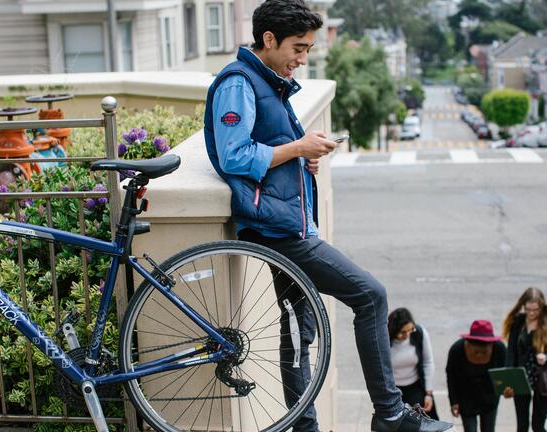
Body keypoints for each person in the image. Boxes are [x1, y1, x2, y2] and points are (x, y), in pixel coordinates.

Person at [203, 1, 452, 431]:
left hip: (283, 220)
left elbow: (267, 147)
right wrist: (299, 150)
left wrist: (301, 160)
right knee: (370, 296)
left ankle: (306, 426)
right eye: (298, 48)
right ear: (268, 40)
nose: (303, 58)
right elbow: (234, 155)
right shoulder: (238, 83)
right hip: (275, 228)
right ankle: (390, 413)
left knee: (301, 327)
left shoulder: (270, 81)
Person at [502, 287, 547, 432]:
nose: (531, 313)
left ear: (542, 307)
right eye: (528, 309)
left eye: (535, 310)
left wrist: (546, 358)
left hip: (542, 379)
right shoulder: (518, 322)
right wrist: (508, 378)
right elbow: (511, 351)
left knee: (537, 426)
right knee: (522, 426)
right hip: (521, 378)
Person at [445, 320, 506, 432]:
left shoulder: (500, 349)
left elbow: (505, 374)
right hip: (466, 398)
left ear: (491, 344)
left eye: (484, 352)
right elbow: (451, 375)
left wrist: (506, 389)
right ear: (469, 342)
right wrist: (453, 401)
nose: (479, 355)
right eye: (476, 351)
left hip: (489, 397)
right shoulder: (457, 350)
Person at [388, 308, 439, 419]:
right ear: (393, 330)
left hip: (417, 388)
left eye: (410, 330)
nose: (407, 335)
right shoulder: (384, 340)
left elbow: (428, 362)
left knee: (427, 424)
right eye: (402, 332)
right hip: (394, 392)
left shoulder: (419, 333)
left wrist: (428, 394)